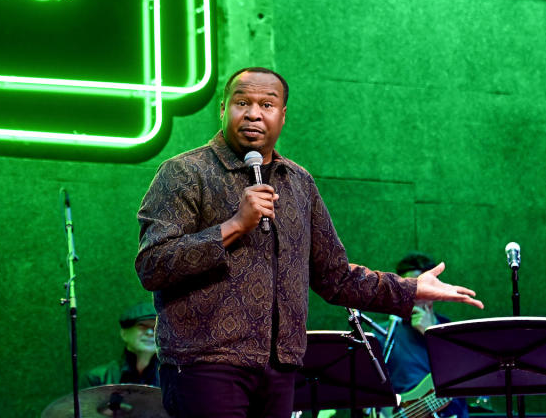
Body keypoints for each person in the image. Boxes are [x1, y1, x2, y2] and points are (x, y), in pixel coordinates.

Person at [135, 67, 483, 418]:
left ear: (282, 115)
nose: (254, 113)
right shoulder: (183, 172)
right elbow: (152, 264)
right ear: (223, 109)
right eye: (242, 102)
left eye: (267, 104)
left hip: (280, 370)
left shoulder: (299, 183)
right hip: (206, 365)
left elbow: (336, 277)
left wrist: (410, 290)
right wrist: (234, 225)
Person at [379, 252, 470, 418]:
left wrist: (431, 332)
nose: (415, 294)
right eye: (408, 288)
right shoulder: (384, 333)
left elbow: (465, 376)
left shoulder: (452, 331)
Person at [83, 302, 161, 387]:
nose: (150, 332)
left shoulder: (172, 379)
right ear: (124, 334)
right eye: (142, 326)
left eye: (155, 327)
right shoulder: (97, 378)